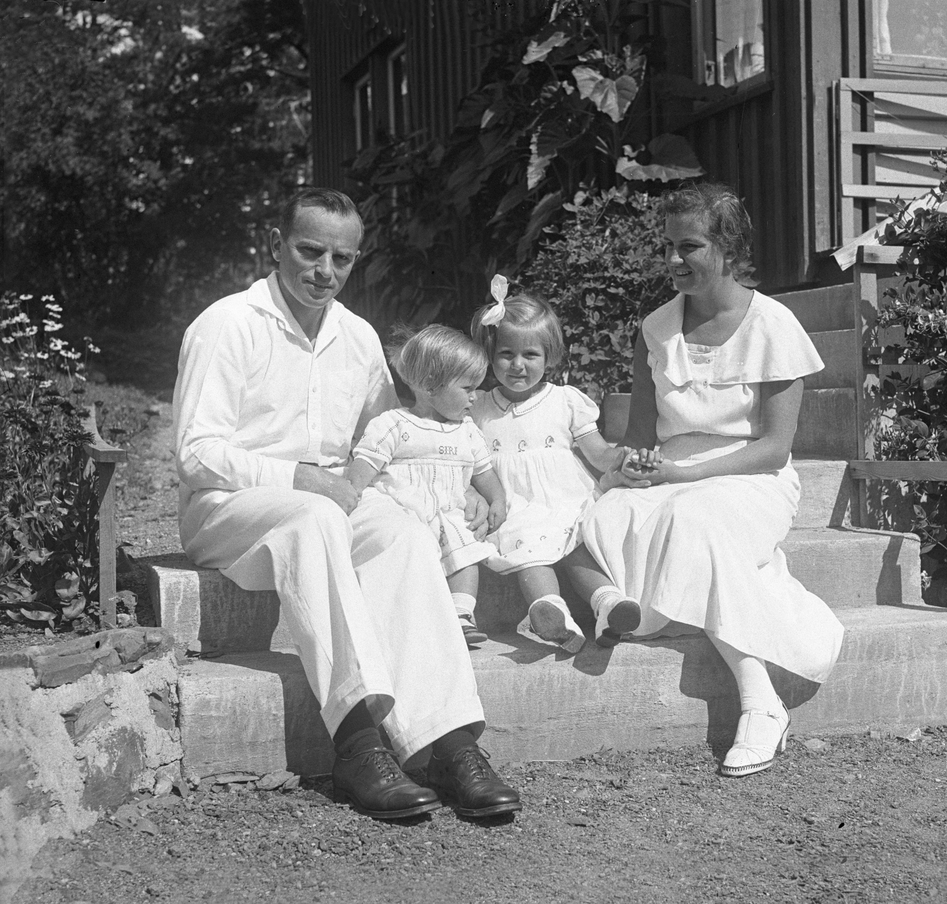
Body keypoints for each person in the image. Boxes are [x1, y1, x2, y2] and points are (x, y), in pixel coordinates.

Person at [173, 187, 521, 819]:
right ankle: (359, 741)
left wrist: (459, 476)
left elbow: (393, 434)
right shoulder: (226, 325)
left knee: (400, 529)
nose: (324, 271)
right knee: (314, 517)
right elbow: (195, 453)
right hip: (228, 508)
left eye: (342, 258)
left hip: (333, 501)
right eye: (310, 251)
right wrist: (299, 478)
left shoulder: (358, 337)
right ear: (275, 245)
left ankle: (446, 741)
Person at [564, 182, 845, 778]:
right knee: (598, 515)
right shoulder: (656, 329)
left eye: (687, 247)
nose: (672, 261)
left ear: (728, 248)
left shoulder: (775, 324)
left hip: (747, 478)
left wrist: (685, 472)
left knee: (696, 520)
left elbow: (772, 450)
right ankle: (628, 608)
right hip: (671, 475)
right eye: (667, 246)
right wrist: (635, 466)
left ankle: (760, 701)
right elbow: (643, 435)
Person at [468, 279, 637, 653]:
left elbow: (598, 453)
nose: (517, 365)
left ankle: (607, 603)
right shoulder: (477, 407)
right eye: (506, 354)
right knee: (528, 546)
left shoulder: (564, 400)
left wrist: (622, 458)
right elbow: (469, 462)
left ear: (550, 357)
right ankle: (549, 610)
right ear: (490, 354)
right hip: (513, 505)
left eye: (530, 355)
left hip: (565, 497)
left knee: (577, 544)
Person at [346, 324, 506, 645]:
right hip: (404, 513)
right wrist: (347, 498)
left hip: (448, 515)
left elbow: (484, 473)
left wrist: (497, 499)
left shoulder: (468, 432)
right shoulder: (394, 424)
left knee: (465, 551)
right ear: (431, 385)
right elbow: (364, 466)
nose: (475, 397)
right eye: (467, 388)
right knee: (410, 551)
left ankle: (461, 614)